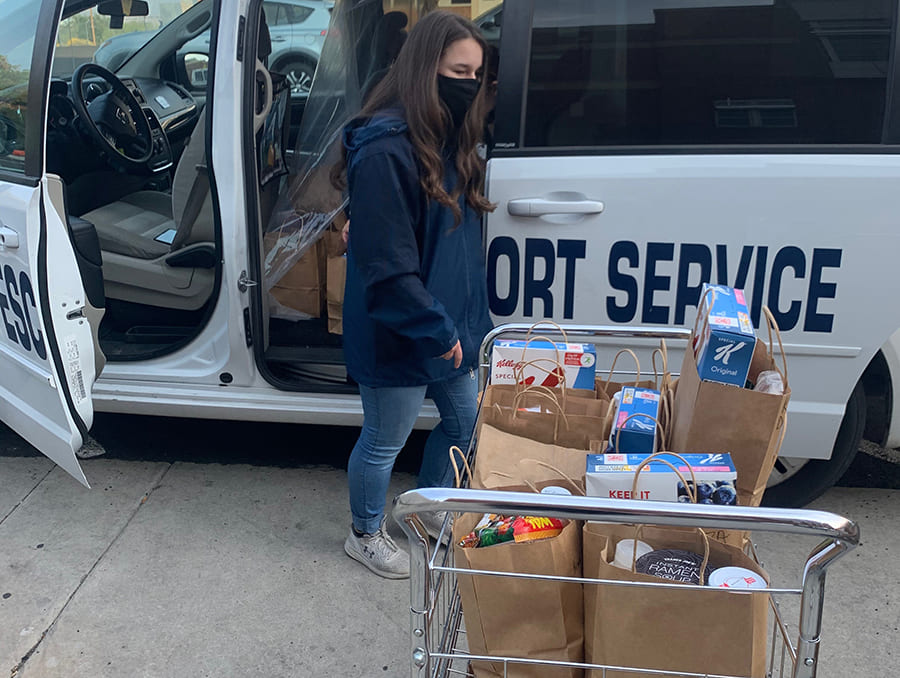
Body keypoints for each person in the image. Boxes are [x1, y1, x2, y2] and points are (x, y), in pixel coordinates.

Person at [332, 10, 495, 579]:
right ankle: (366, 531)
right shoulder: (387, 148)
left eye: (476, 74)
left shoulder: (446, 138)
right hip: (404, 327)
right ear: (426, 68)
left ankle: (425, 512)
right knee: (384, 440)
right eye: (458, 71)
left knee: (464, 424)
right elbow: (389, 270)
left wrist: (461, 323)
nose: (468, 85)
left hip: (446, 321)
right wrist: (437, 328)